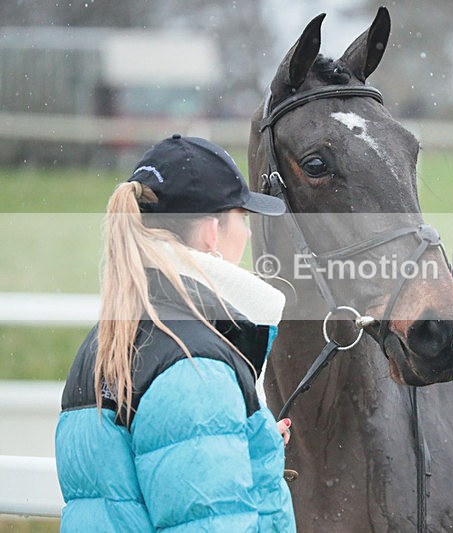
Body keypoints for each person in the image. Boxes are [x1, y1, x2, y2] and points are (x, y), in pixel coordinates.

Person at [55, 134, 296, 531]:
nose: (249, 235)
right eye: (243, 218)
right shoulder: (195, 366)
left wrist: (249, 441)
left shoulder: (106, 342)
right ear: (211, 233)